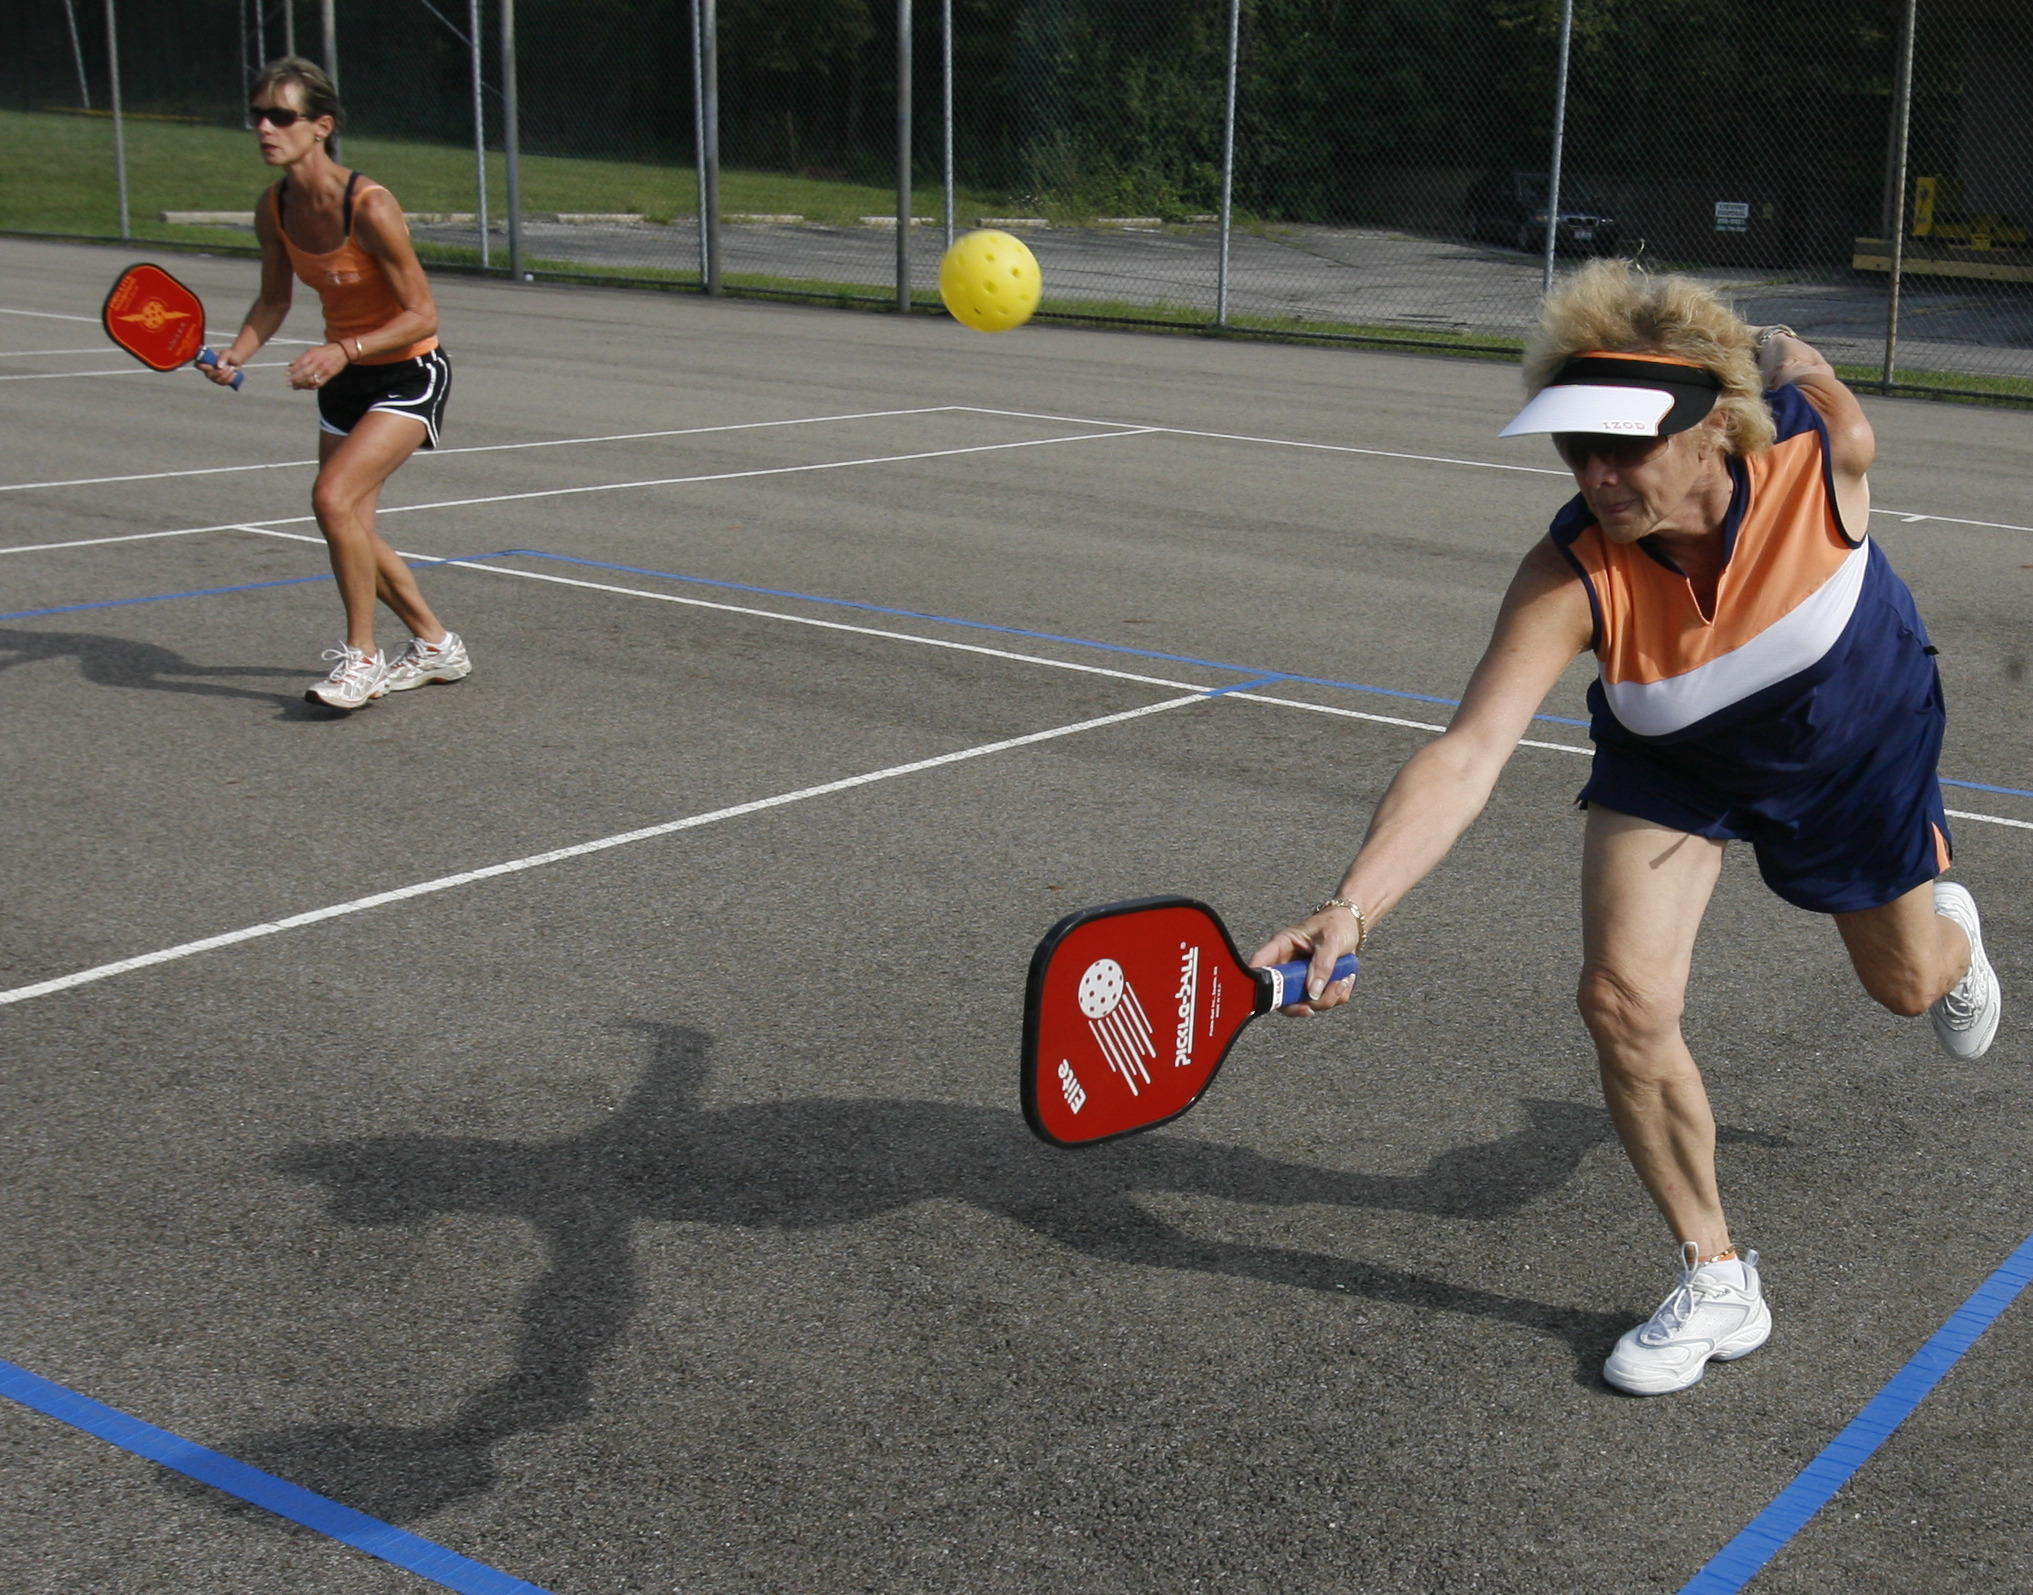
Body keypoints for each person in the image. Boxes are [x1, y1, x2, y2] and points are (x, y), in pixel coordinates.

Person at [1252, 259, 2001, 1396]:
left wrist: (1781, 351)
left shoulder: (1823, 452)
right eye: (1574, 447)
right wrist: (1350, 905)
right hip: (1674, 754)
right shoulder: (1572, 570)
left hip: (1850, 740)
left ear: (1713, 429)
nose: (1594, 476)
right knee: (1618, 998)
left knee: (1903, 986)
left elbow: (1798, 367)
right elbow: (1467, 754)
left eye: (1623, 447)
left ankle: (1952, 935)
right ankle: (1716, 1274)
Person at [202, 57, 472, 711]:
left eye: (281, 116)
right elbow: (274, 299)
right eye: (257, 115)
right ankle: (436, 644)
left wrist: (341, 349)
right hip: (346, 380)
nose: (265, 128)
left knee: (330, 498)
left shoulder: (369, 206)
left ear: (321, 125)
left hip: (409, 373)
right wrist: (236, 353)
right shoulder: (274, 208)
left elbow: (423, 314)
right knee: (349, 524)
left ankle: (362, 659)